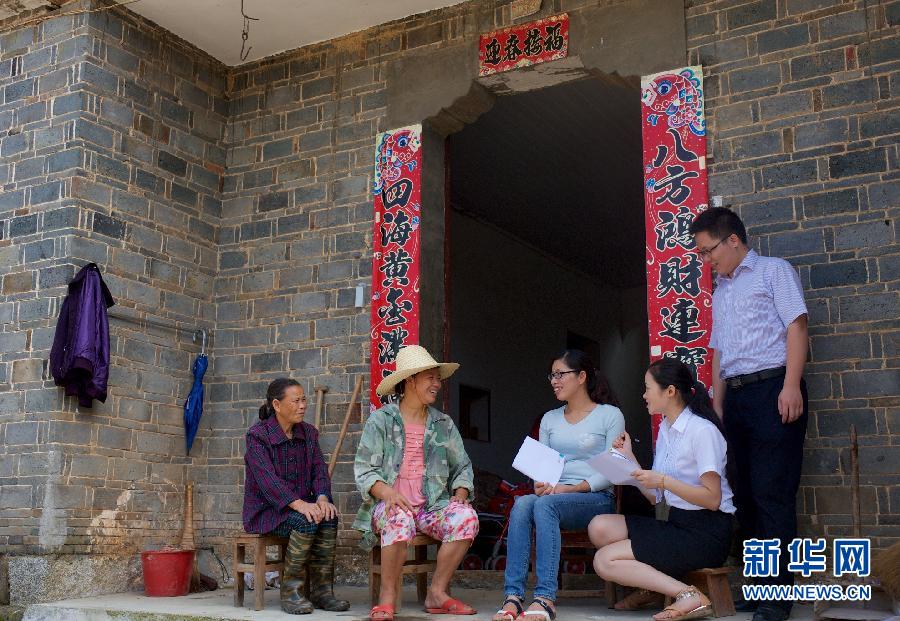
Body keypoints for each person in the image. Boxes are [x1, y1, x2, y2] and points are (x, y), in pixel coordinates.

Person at [690, 207, 808, 621]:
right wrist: (718, 404)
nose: (707, 261)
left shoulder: (774, 271)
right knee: (744, 498)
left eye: (708, 251)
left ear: (733, 241)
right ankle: (758, 591)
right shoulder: (721, 289)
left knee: (771, 494)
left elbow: (797, 326)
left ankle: (777, 602)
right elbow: (720, 351)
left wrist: (791, 385)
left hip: (774, 390)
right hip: (736, 398)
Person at [589, 358, 735, 621]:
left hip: (706, 534)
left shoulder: (702, 431)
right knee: (599, 526)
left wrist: (664, 482)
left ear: (669, 391)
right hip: (678, 524)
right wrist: (629, 461)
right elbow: (657, 497)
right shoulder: (667, 429)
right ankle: (652, 589)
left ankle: (688, 595)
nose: (643, 395)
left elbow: (713, 499)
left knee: (604, 561)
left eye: (647, 388)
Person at [493, 350, 625, 621]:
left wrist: (573, 489)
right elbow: (544, 466)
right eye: (551, 375)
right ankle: (513, 597)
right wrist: (540, 484)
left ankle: (544, 598)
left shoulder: (609, 416)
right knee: (523, 503)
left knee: (545, 505)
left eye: (560, 374)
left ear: (582, 377)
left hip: (596, 497)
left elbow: (615, 469)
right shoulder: (549, 419)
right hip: (554, 496)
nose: (554, 380)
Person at [354, 345, 479, 621]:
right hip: (388, 507)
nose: (437, 384)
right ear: (410, 381)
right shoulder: (381, 421)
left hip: (431, 507)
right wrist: (387, 492)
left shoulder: (442, 423)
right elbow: (364, 470)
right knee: (398, 516)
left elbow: (463, 466)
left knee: (466, 517)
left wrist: (460, 492)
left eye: (438, 378)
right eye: (430, 378)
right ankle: (387, 597)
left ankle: (437, 592)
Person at [243, 378, 350, 615]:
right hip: (268, 511)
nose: (302, 406)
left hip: (302, 507)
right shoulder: (257, 436)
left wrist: (322, 498)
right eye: (296, 401)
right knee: (306, 520)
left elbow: (319, 470)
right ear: (277, 405)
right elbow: (267, 480)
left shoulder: (308, 433)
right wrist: (300, 504)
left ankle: (322, 592)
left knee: (329, 515)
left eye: (304, 400)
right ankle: (292, 592)